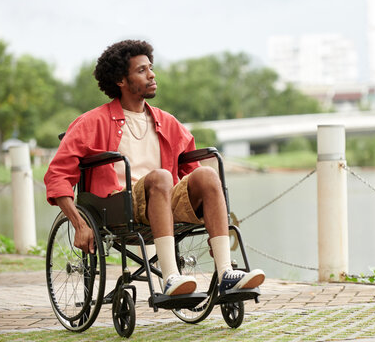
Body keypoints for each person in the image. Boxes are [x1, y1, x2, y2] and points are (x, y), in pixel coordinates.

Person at [44, 39, 265, 296]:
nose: (152, 74)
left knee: (206, 173)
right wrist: (79, 223)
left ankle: (226, 272)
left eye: (150, 67)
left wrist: (215, 219)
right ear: (121, 81)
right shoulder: (91, 123)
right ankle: (170, 277)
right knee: (160, 177)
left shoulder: (167, 122)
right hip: (119, 204)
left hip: (165, 199)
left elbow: (192, 174)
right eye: (141, 70)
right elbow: (57, 174)